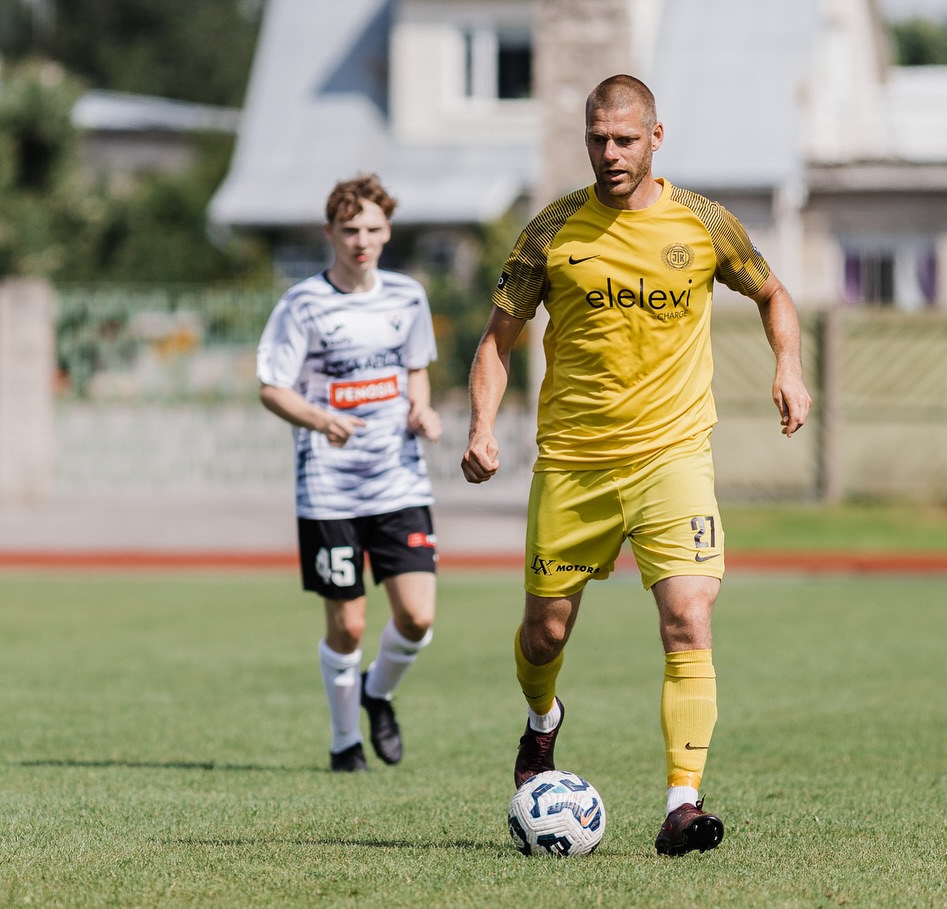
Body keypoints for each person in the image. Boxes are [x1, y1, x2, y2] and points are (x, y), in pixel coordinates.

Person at [461, 75, 813, 856]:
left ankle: (682, 804)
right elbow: (497, 337)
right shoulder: (552, 231)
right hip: (573, 464)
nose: (609, 153)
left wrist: (787, 364)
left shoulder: (703, 222)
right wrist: (483, 424)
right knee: (544, 633)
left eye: (623, 139)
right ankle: (541, 722)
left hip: (673, 457)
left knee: (689, 616)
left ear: (656, 136)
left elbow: (772, 292)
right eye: (596, 138)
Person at [256, 174, 442, 773]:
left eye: (372, 229)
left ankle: (377, 692)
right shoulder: (302, 304)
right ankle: (344, 745)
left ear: (387, 232)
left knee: (417, 617)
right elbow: (271, 388)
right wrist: (318, 418)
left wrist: (422, 406)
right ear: (330, 233)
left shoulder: (408, 297)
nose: (361, 240)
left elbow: (416, 368)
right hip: (330, 490)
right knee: (350, 624)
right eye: (349, 230)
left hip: (399, 480)